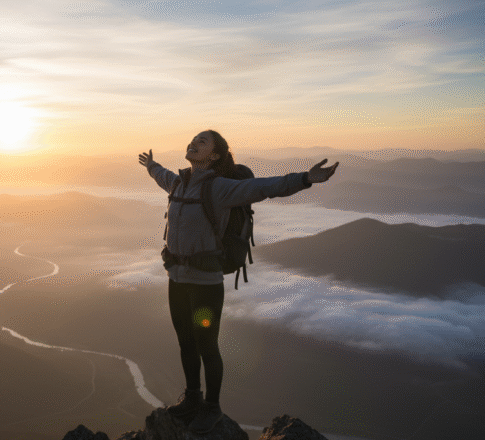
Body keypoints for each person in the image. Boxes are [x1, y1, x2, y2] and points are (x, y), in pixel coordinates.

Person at [138, 130, 338, 434]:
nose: (193, 143)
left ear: (215, 156)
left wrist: (306, 179)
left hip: (205, 282)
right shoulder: (179, 182)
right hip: (176, 278)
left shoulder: (220, 188)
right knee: (185, 342)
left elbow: (264, 187)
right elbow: (161, 175)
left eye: (202, 142)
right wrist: (151, 165)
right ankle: (192, 397)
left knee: (206, 345)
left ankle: (212, 408)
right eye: (193, 139)